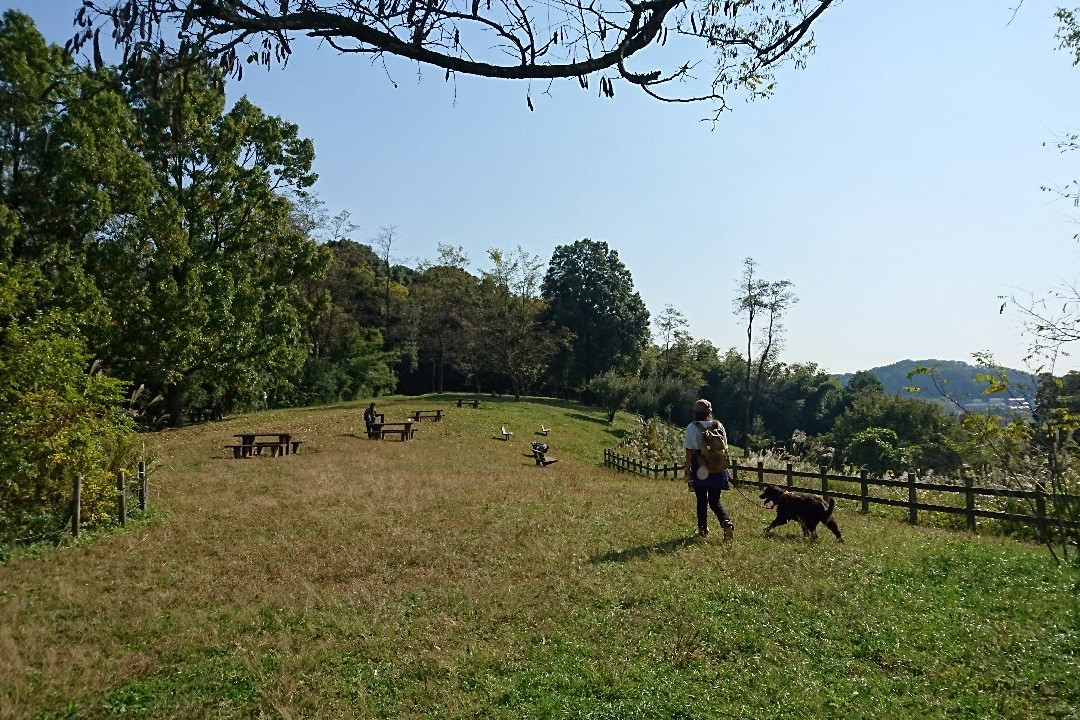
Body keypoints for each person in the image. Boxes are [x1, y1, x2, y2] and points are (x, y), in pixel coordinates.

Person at [684, 398, 735, 539]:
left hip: (700, 467)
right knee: (714, 500)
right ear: (709, 412)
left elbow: (689, 450)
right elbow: (724, 448)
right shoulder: (719, 426)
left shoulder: (692, 427)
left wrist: (687, 468)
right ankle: (725, 522)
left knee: (701, 500)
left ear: (695, 413)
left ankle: (703, 530)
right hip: (717, 467)